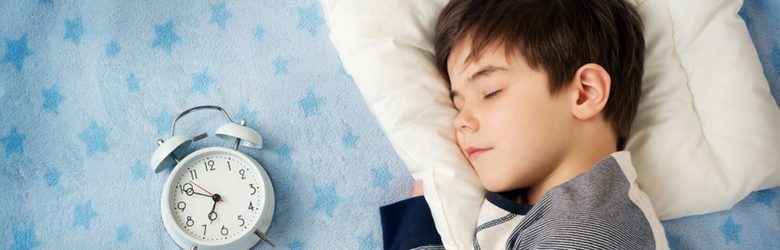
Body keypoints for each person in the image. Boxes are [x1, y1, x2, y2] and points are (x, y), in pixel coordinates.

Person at [380, 0, 669, 249]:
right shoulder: (566, 213)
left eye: (490, 92)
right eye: (458, 105)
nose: (461, 121)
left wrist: (417, 228)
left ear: (584, 93)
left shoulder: (587, 232)